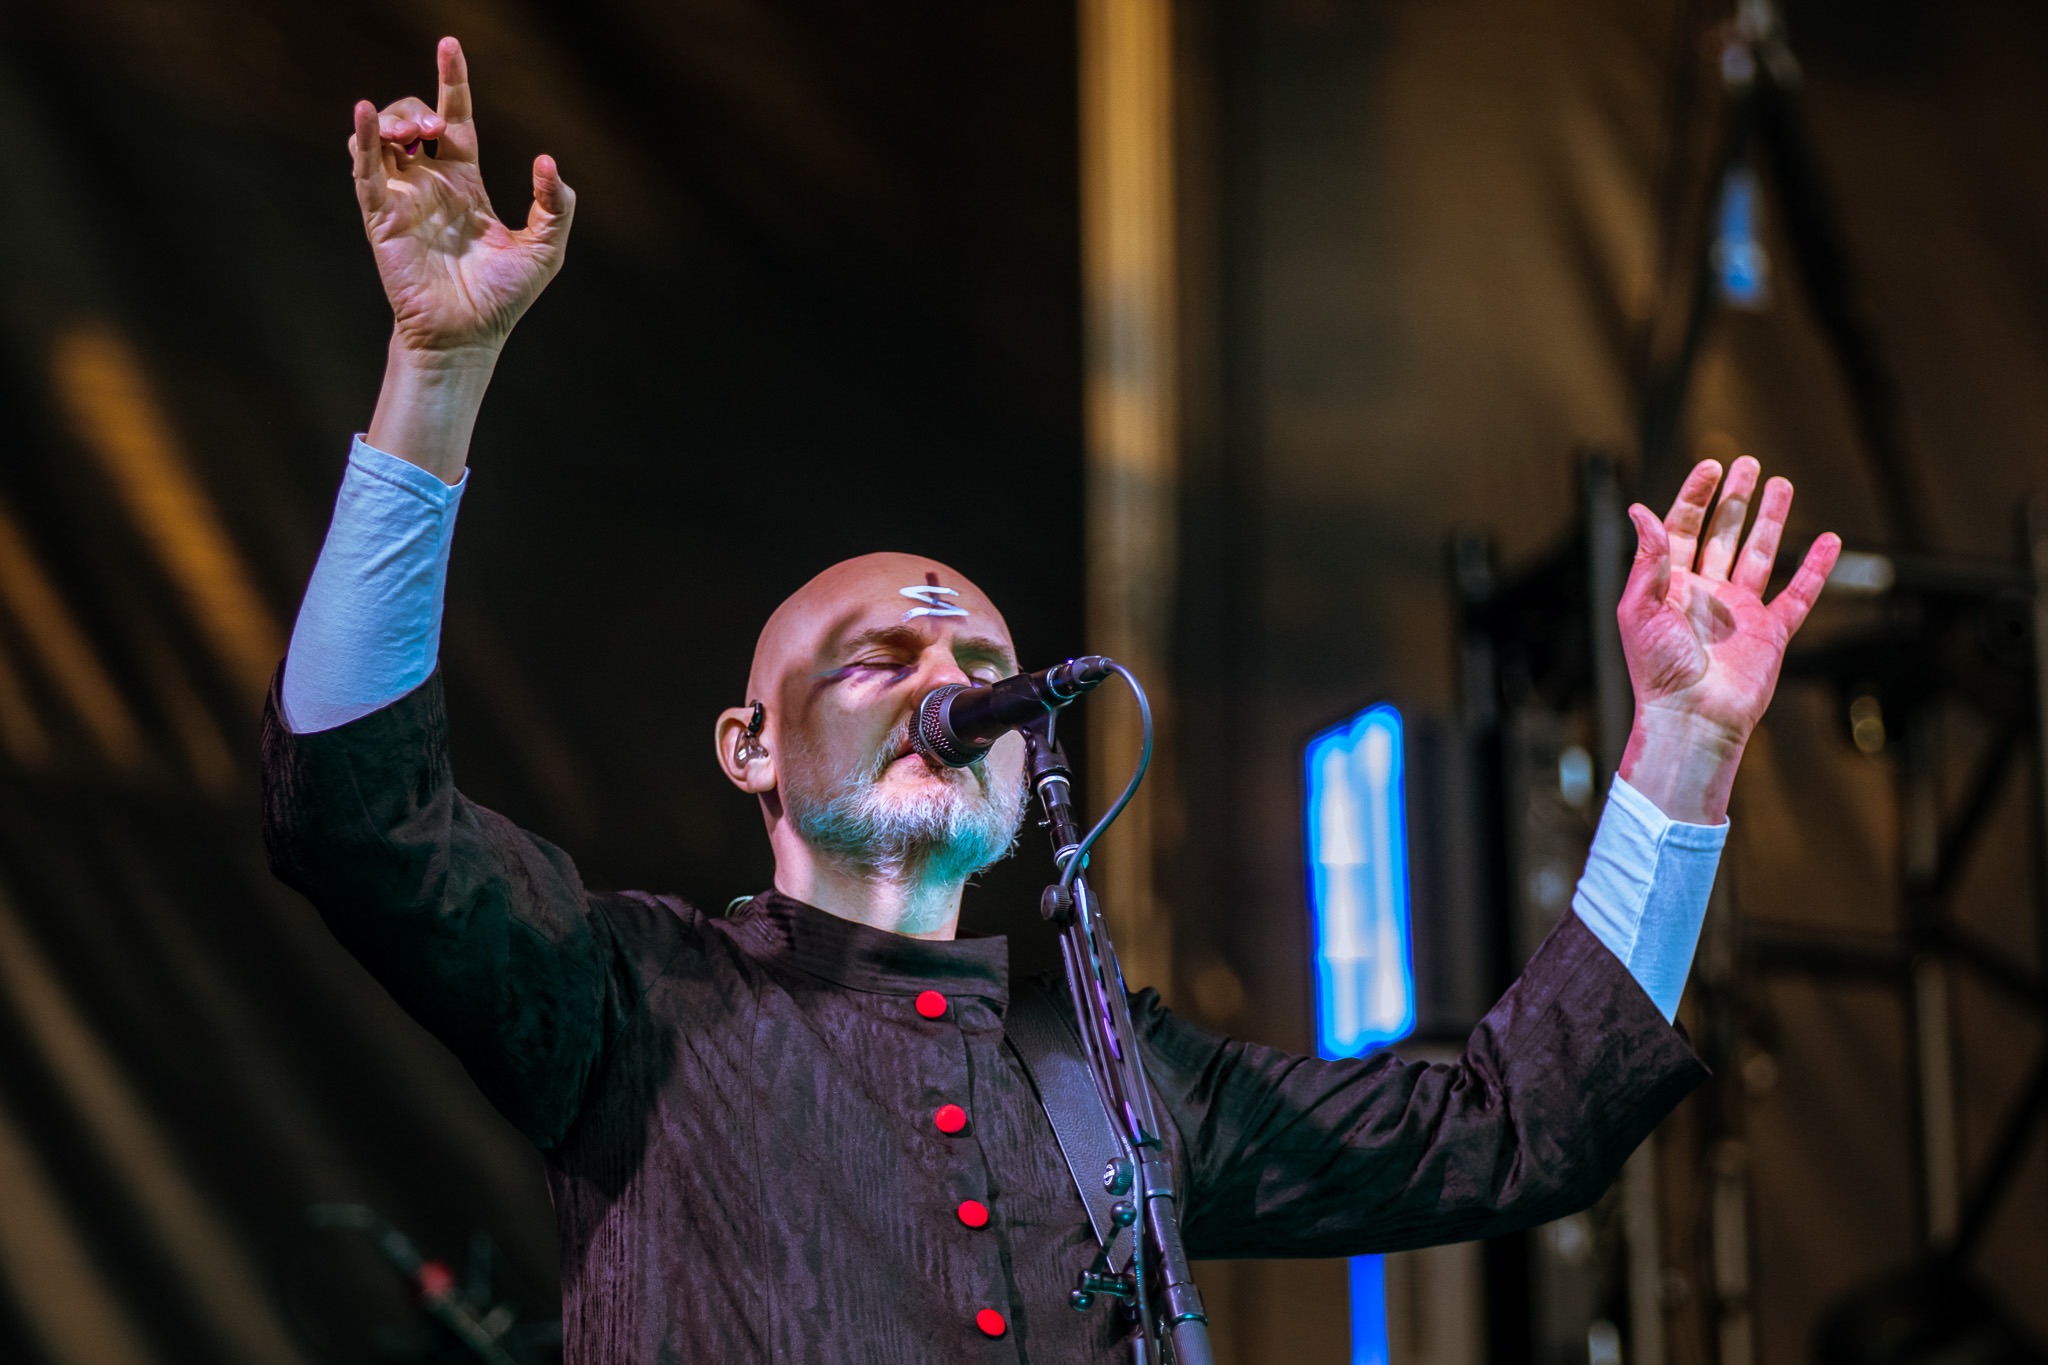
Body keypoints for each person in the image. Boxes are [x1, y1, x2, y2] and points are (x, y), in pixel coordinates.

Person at [261, 37, 1842, 1364]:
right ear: (747, 743)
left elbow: (1518, 1126)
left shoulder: (1108, 1065)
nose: (951, 685)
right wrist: (437, 376)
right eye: (882, 657)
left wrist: (1684, 747)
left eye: (978, 666)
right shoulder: (630, 998)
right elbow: (356, 814)